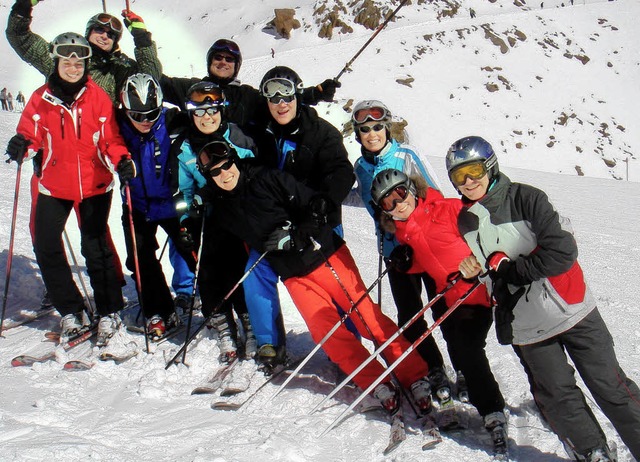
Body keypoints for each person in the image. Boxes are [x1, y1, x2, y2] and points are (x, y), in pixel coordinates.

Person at [193, 142, 435, 413]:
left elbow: (317, 205)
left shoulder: (268, 178)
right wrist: (189, 225)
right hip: (294, 275)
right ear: (208, 177)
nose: (225, 174)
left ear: (235, 161)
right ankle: (372, 379)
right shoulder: (223, 208)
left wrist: (297, 234)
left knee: (366, 318)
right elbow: (214, 248)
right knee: (326, 332)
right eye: (216, 172)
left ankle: (413, 374)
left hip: (325, 255)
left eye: (227, 165)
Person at [450, 136, 640, 461]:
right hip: (528, 326)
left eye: (474, 170)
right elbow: (489, 270)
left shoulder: (526, 198)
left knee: (611, 387)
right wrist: (475, 272)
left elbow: (562, 252)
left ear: (490, 166)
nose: (469, 181)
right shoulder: (465, 220)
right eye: (459, 176)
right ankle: (592, 452)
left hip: (572, 309)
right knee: (557, 396)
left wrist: (510, 269)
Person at [371, 168, 508, 458]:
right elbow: (428, 258)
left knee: (467, 348)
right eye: (388, 202)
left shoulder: (447, 209)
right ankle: (475, 391)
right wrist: (406, 265)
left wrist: (480, 264)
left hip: (479, 293)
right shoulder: (406, 230)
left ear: (411, 188)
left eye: (400, 193)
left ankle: (493, 409)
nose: (398, 204)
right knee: (458, 342)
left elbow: (490, 230)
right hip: (453, 296)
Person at [5, 32, 131, 346]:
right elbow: (30, 132)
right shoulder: (40, 98)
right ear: (57, 62)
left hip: (94, 185)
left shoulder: (97, 97)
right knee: (46, 245)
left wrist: (122, 160)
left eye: (79, 62)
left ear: (85, 64)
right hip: (53, 185)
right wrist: (23, 144)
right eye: (67, 61)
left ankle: (109, 310)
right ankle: (71, 310)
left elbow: (110, 138)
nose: (73, 67)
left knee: (95, 248)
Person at [238, 66, 355, 368]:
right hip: (274, 224)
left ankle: (351, 346)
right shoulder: (256, 131)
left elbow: (342, 172)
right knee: (256, 272)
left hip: (317, 222)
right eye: (272, 97)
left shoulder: (320, 133)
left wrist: (323, 205)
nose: (281, 104)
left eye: (287, 96)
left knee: (334, 283)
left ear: (297, 96)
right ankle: (269, 344)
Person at [346, 99, 455, 405]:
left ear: (387, 128)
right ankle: (434, 368)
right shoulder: (360, 166)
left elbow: (433, 196)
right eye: (364, 129)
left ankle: (464, 368)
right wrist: (335, 193)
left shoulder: (406, 155)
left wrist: (418, 237)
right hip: (394, 254)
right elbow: (365, 200)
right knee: (410, 316)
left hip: (424, 247)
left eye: (377, 127)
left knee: (442, 311)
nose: (372, 134)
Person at [176, 82, 257, 362]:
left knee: (239, 268)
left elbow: (253, 177)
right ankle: (223, 324)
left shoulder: (239, 140)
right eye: (200, 112)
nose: (207, 117)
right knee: (208, 272)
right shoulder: (185, 149)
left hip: (238, 218)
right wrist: (186, 221)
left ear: (222, 111)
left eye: (212, 110)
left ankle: (250, 323)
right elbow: (183, 192)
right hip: (207, 220)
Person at [117, 73, 197, 339]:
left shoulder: (175, 121)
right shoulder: (117, 127)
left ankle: (220, 308)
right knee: (140, 261)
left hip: (175, 203)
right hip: (138, 205)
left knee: (195, 254)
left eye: (151, 114)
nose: (145, 121)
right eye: (137, 115)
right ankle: (159, 311)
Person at [6, 0, 162, 104]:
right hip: (56, 141)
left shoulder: (118, 70)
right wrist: (23, 6)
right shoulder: (64, 55)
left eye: (111, 35)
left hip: (96, 146)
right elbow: (21, 38)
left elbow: (150, 79)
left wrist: (142, 39)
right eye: (99, 29)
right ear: (89, 31)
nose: (104, 36)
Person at [160, 38, 340, 128]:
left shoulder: (247, 96)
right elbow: (159, 84)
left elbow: (278, 99)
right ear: (210, 61)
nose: (223, 62)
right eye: (218, 57)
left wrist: (315, 93)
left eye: (229, 59)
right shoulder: (192, 89)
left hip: (238, 172)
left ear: (236, 66)